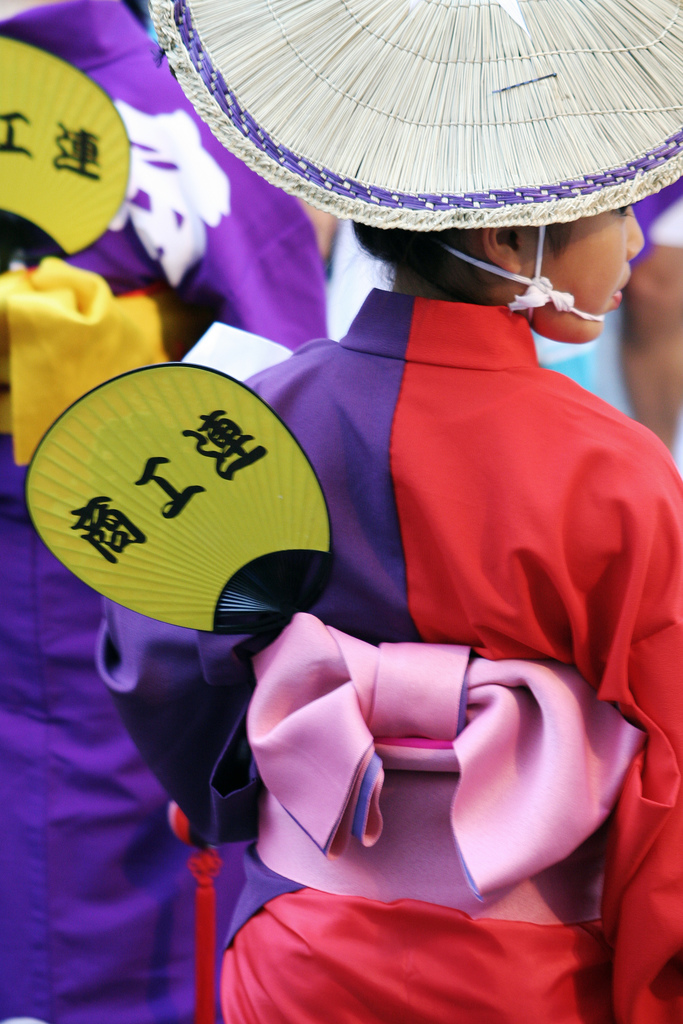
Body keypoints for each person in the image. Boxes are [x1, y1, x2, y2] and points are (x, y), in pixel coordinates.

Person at [98, 0, 683, 1021]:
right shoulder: (615, 469)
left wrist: (250, 796)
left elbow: (156, 653)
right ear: (512, 239)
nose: (634, 240)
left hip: (297, 945)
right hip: (531, 968)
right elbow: (664, 760)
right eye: (613, 209)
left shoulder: (252, 419)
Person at [0, 2, 327, 1023]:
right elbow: (280, 366)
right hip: (118, 559)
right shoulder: (178, 113)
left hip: (76, 561)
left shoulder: (152, 107)